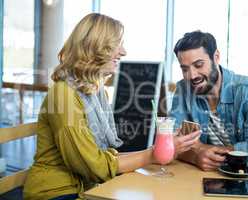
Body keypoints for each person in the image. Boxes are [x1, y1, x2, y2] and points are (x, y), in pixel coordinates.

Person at [23, 13, 199, 200]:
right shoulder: (63, 94)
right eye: (117, 44)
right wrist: (155, 154)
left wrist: (157, 151)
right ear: (95, 47)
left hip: (88, 188)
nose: (123, 52)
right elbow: (92, 165)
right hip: (55, 192)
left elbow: (105, 157)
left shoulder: (95, 92)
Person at [170, 30, 248, 171]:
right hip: (208, 178)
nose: (192, 75)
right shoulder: (183, 88)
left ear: (216, 57)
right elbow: (173, 144)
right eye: (185, 69)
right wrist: (196, 157)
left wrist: (201, 148)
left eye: (198, 65)